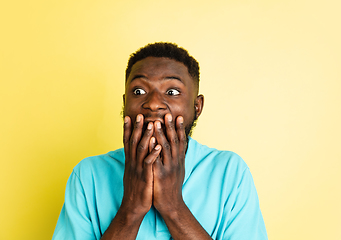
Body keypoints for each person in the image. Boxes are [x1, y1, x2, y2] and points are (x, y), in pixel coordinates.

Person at [52, 42, 268, 240]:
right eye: (139, 91)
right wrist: (132, 208)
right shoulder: (88, 175)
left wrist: (173, 206)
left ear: (197, 106)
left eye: (172, 91)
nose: (153, 103)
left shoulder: (229, 172)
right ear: (125, 103)